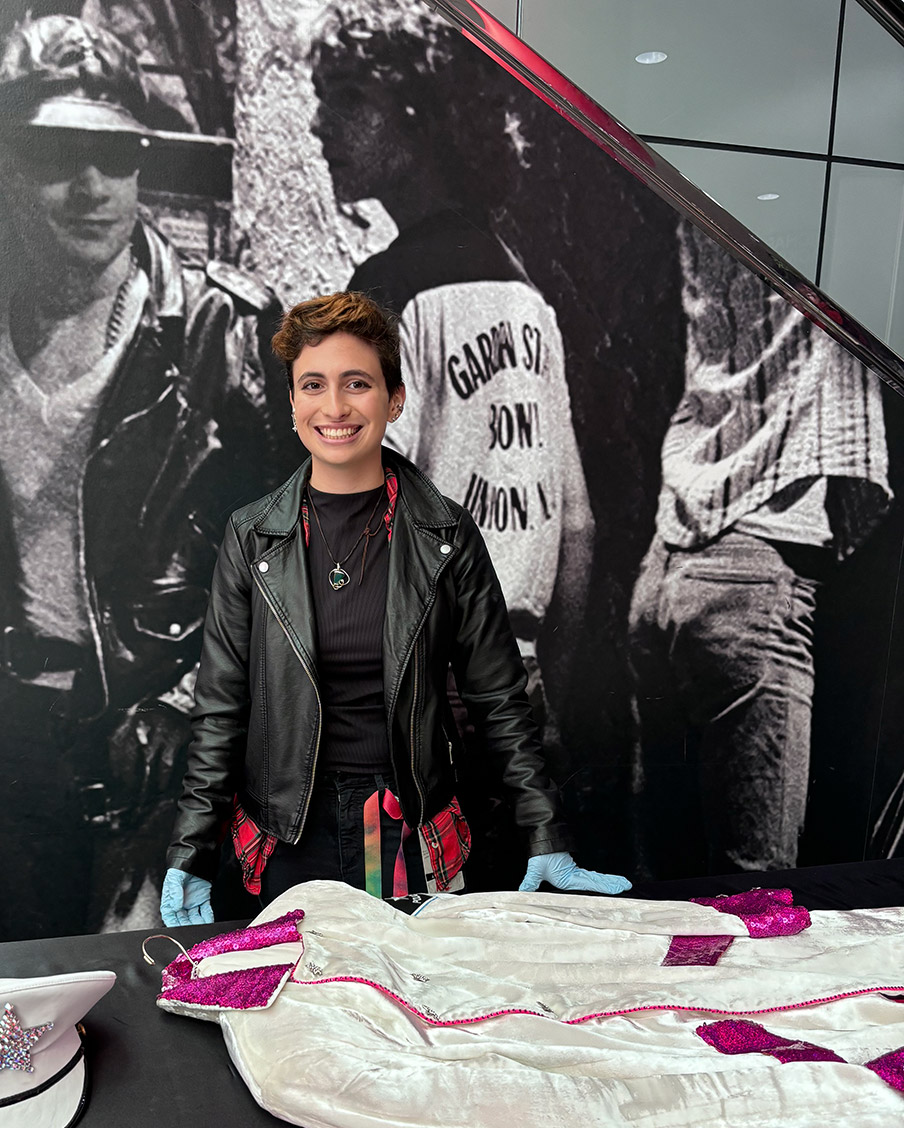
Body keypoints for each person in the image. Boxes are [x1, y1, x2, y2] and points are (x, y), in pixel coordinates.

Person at [0, 14, 284, 952]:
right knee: (3, 1011)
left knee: (151, 1022)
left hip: (164, 753)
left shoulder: (223, 331)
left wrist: (189, 706)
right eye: (57, 156)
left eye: (116, 157)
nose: (94, 190)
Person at [161, 292, 629, 925]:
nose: (335, 407)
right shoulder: (252, 538)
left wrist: (545, 832)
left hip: (400, 834)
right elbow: (220, 710)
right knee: (297, 1011)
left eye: (357, 383)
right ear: (293, 402)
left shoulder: (447, 535)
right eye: (313, 385)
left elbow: (499, 699)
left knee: (401, 1007)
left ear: (395, 398)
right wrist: (190, 853)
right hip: (285, 842)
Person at [308, 9, 595, 884]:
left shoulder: (385, 296)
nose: (324, 126)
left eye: (347, 98)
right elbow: (577, 528)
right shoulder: (528, 294)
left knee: (397, 945)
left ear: (418, 113)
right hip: (519, 681)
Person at [628, 221, 891, 877]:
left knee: (675, 895)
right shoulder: (828, 218)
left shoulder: (703, 217)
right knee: (756, 897)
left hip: (669, 566)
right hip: (752, 583)